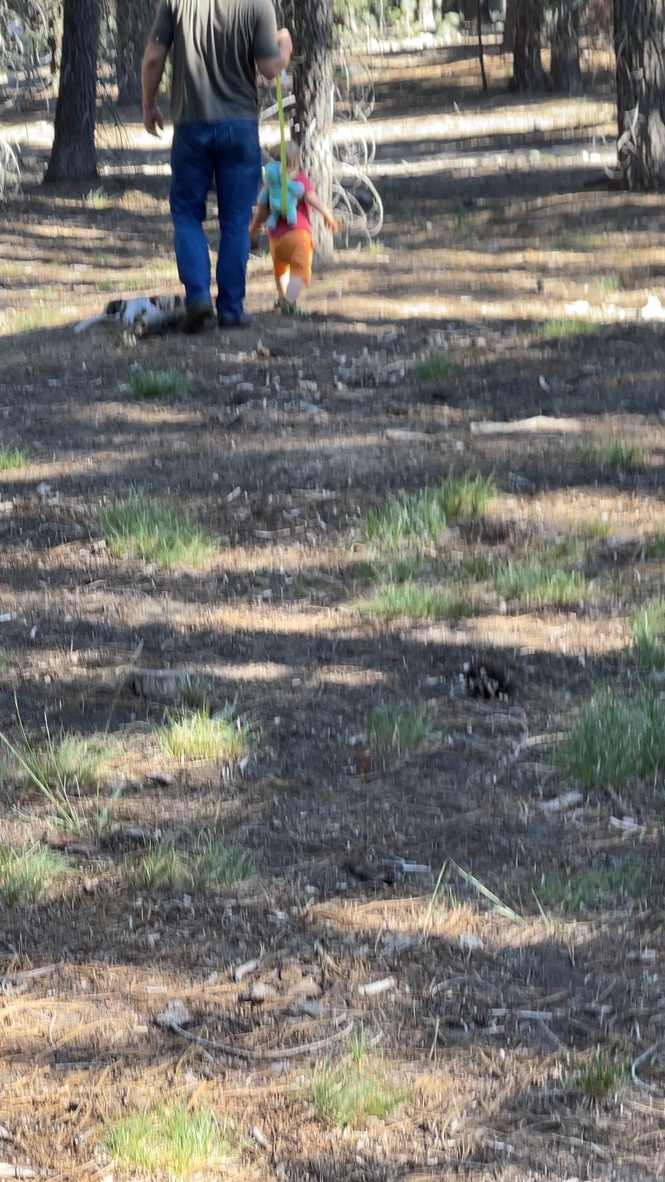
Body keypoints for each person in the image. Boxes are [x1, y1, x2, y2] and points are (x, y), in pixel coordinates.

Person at [141, 0, 292, 333]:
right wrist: (285, 46)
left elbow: (153, 58)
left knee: (186, 213)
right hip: (239, 126)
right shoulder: (258, 4)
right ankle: (231, 309)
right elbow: (270, 69)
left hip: (190, 126)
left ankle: (197, 296)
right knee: (236, 220)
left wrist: (149, 105)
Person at [249, 142, 337, 317]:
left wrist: (253, 230)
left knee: (280, 269)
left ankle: (283, 298)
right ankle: (289, 302)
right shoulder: (299, 179)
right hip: (298, 234)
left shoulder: (269, 184)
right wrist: (327, 214)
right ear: (296, 161)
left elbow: (262, 211)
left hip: (276, 239)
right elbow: (311, 198)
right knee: (299, 269)